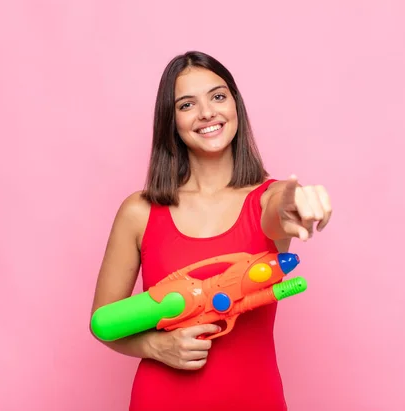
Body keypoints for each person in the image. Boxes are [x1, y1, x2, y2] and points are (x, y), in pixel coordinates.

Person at [89, 51, 332, 411]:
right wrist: (157, 346)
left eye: (218, 96)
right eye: (187, 104)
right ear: (171, 121)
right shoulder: (139, 211)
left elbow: (282, 202)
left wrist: (297, 200)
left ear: (236, 105)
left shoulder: (267, 200)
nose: (207, 112)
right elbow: (103, 321)